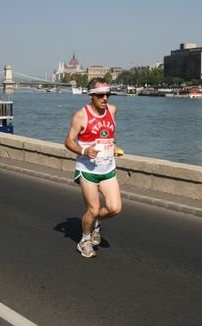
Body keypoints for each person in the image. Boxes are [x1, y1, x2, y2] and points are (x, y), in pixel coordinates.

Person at [64, 77, 123, 258]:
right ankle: (85, 239)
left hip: (107, 169)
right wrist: (83, 150)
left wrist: (113, 146)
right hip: (88, 170)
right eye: (100, 95)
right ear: (91, 96)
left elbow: (108, 134)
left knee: (115, 208)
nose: (105, 98)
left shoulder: (112, 110)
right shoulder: (81, 116)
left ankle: (96, 222)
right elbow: (68, 141)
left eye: (108, 94)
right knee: (93, 209)